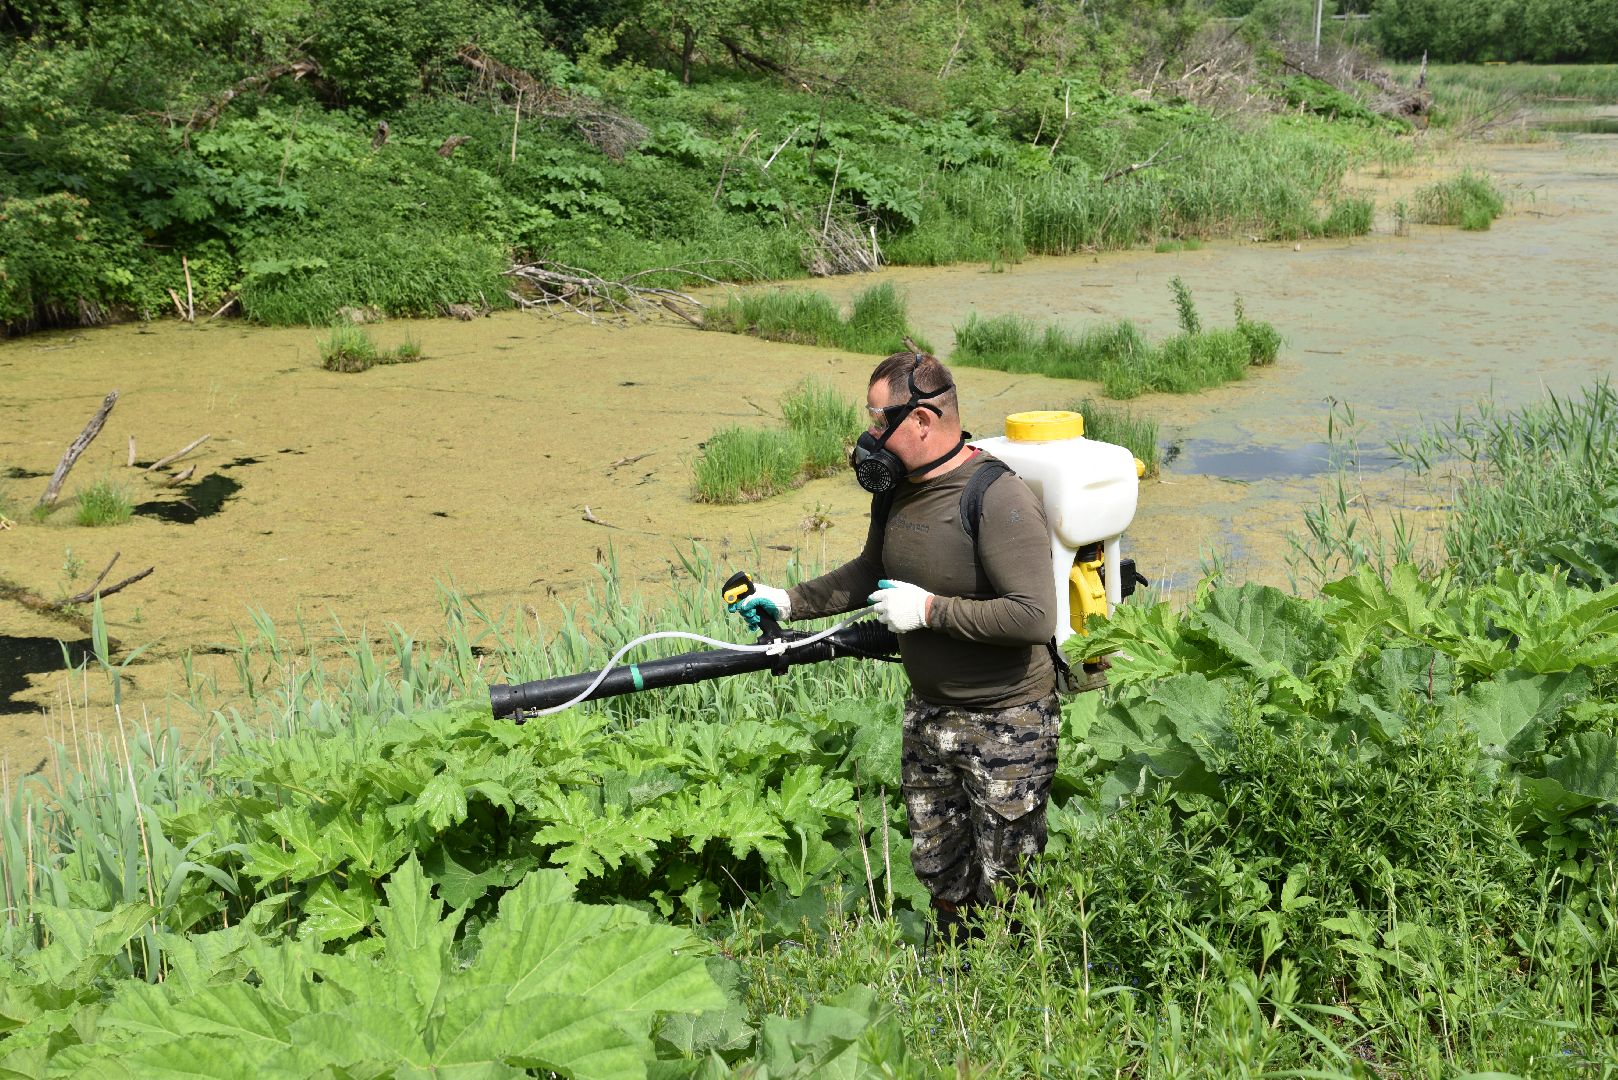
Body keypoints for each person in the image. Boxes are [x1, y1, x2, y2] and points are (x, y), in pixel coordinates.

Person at [729, 350, 1061, 938]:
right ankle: (953, 973)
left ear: (923, 420)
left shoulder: (997, 497)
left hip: (1006, 723)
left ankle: (1014, 984)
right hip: (928, 715)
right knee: (940, 872)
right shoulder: (897, 490)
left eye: (880, 421)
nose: (871, 437)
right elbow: (869, 571)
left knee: (1010, 890)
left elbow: (1033, 616)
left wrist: (930, 611)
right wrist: (790, 601)